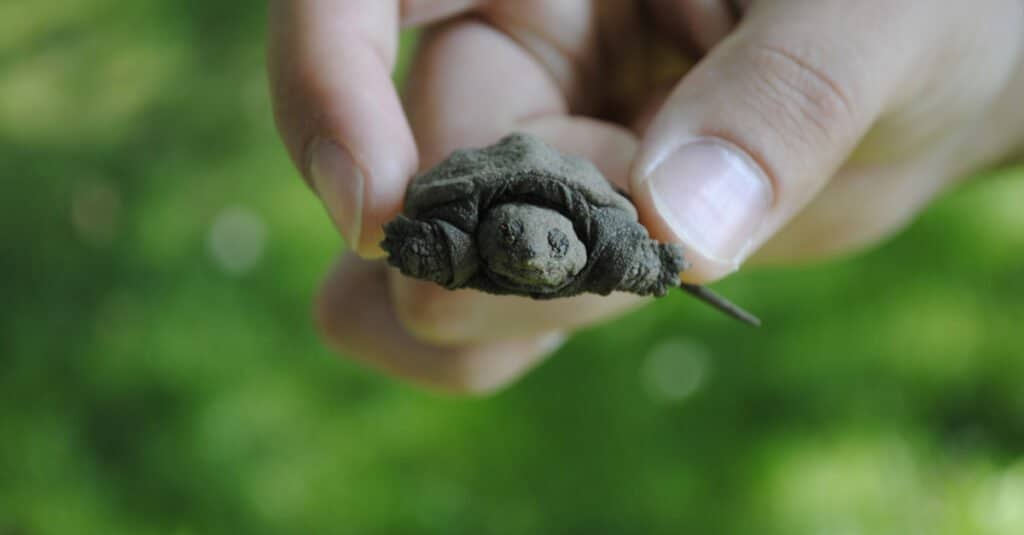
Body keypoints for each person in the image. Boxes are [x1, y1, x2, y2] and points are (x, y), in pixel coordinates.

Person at [267, 0, 1024, 393]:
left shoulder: (605, 232)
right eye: (519, 246)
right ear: (485, 234)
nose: (534, 257)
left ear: (580, 235)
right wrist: (419, 242)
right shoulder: (463, 226)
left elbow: (643, 245)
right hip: (488, 168)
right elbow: (423, 233)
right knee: (426, 291)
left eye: (549, 246)